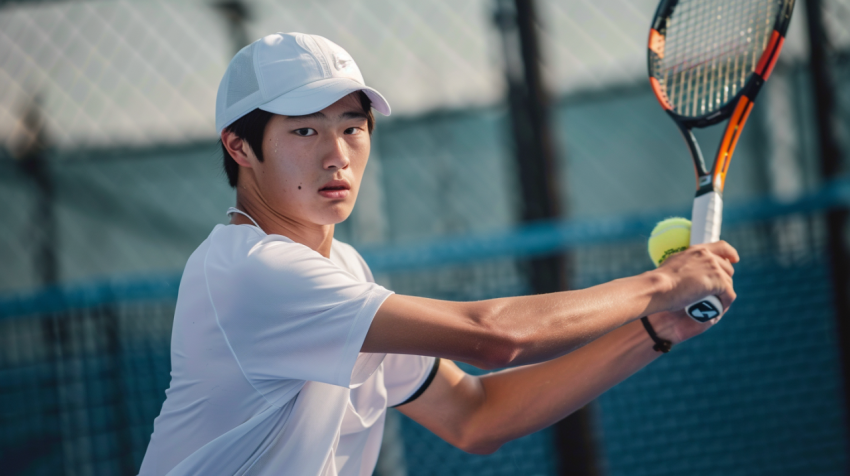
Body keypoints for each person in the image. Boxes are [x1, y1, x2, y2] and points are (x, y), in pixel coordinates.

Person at [138, 32, 738, 476]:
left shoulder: (343, 270)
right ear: (239, 147)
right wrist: (662, 285)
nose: (337, 155)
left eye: (352, 126)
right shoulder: (253, 272)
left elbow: (475, 415)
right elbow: (492, 338)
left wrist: (655, 328)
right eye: (304, 130)